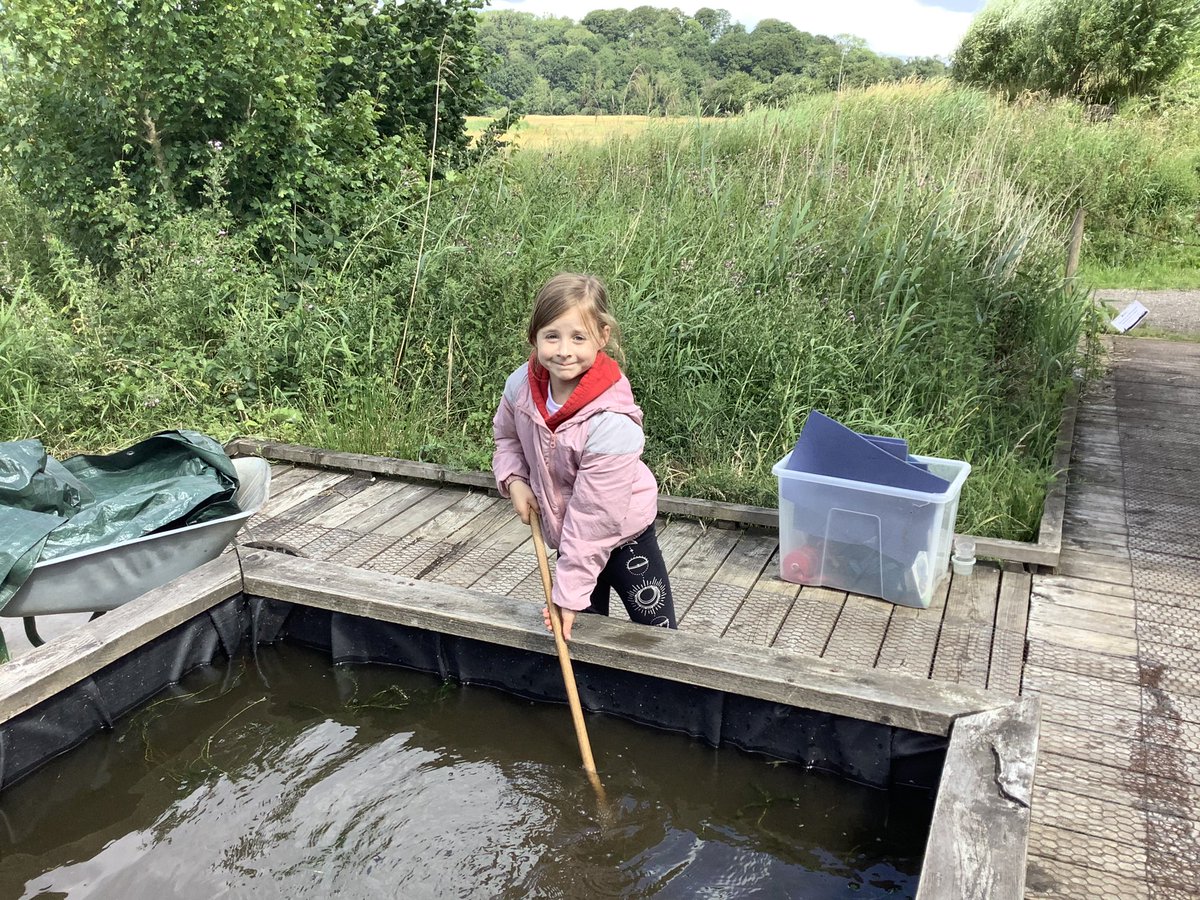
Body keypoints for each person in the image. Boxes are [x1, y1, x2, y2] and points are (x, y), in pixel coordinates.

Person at [492, 272, 677, 641]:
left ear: (602, 337)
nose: (564, 350)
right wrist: (515, 481)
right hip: (569, 536)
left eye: (578, 337)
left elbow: (595, 517)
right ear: (534, 336)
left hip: (625, 537)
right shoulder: (520, 388)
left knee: (659, 636)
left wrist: (568, 595)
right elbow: (507, 438)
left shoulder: (611, 422)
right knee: (580, 635)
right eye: (552, 336)